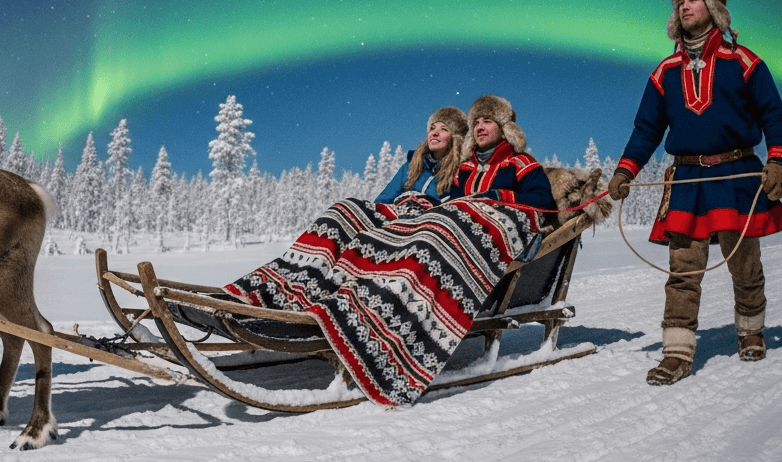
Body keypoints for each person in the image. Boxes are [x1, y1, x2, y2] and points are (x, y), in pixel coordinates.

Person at [225, 95, 550, 406]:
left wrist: (493, 197)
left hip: (450, 223)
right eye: (475, 120)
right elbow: (392, 197)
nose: (479, 126)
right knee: (343, 212)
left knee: (414, 235)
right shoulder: (457, 169)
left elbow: (536, 201)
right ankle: (290, 289)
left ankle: (370, 317)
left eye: (487, 121)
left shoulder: (514, 164)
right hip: (405, 214)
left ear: (503, 127)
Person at [608, 0, 782, 386]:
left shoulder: (743, 61)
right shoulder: (664, 71)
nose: (684, 5)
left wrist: (778, 161)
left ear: (713, 7)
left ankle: (750, 331)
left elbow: (773, 115)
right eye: (679, 1)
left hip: (738, 172)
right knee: (683, 270)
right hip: (687, 180)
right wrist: (625, 170)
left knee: (744, 264)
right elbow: (646, 130)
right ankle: (676, 352)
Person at [447, 94, 556, 211]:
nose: (479, 127)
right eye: (476, 123)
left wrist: (500, 196)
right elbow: (454, 202)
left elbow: (544, 200)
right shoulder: (465, 168)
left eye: (487, 121)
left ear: (504, 131)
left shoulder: (521, 163)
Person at [374, 106, 468, 205]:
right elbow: (383, 200)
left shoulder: (460, 172)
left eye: (444, 129)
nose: (434, 133)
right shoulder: (410, 166)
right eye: (432, 128)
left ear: (456, 138)